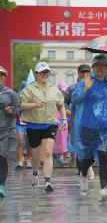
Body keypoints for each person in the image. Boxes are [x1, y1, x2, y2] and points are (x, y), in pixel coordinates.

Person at [72, 55, 107, 201]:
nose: (100, 68)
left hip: (106, 127)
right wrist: (86, 89)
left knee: (103, 155)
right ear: (93, 67)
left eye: (103, 65)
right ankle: (83, 174)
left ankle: (104, 189)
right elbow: (75, 100)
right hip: (88, 126)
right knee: (87, 158)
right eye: (97, 65)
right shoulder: (85, 82)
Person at [20, 62, 67, 193]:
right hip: (33, 125)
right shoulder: (29, 89)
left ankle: (47, 181)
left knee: (47, 152)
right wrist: (34, 105)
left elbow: (61, 105)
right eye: (42, 72)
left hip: (50, 124)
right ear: (36, 74)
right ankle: (35, 173)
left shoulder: (54, 89)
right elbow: (22, 105)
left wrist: (63, 119)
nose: (45, 74)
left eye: (47, 72)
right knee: (36, 157)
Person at [64, 64, 94, 179]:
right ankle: (82, 170)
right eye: (82, 72)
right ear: (78, 73)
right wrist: (66, 109)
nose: (84, 74)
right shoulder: (72, 88)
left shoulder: (94, 86)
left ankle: (88, 167)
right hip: (76, 120)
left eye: (87, 72)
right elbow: (63, 100)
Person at [0, 66, 18, 198]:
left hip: (5, 130)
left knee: (2, 157)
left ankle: (1, 185)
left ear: (5, 77)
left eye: (1, 75)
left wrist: (11, 111)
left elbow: (18, 110)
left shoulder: (11, 93)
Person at [15, 81, 32, 169]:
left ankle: (28, 160)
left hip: (29, 123)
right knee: (20, 141)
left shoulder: (31, 96)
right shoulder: (17, 96)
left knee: (30, 143)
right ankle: (20, 161)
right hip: (19, 123)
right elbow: (15, 107)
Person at [53, 81, 69, 166]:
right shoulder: (54, 99)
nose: (63, 92)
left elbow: (67, 110)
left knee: (63, 140)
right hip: (54, 122)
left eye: (64, 91)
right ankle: (54, 158)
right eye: (61, 91)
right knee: (54, 139)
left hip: (63, 122)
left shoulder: (66, 100)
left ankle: (62, 157)